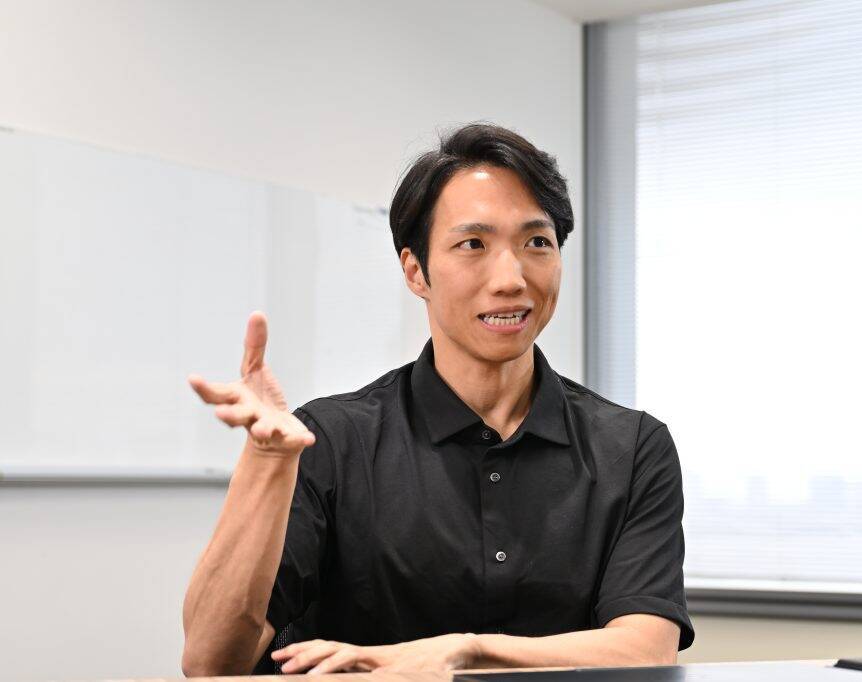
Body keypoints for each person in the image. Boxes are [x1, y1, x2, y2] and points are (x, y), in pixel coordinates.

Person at [180, 123, 694, 676]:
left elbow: (647, 651)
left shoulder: (632, 448)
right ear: (415, 271)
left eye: (536, 243)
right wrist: (266, 463)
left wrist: (464, 651)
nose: (511, 278)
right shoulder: (333, 441)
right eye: (473, 244)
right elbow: (210, 661)